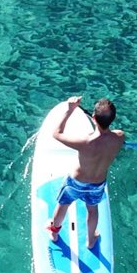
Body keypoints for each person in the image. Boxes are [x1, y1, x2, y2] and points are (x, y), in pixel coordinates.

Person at [47, 96, 124, 249]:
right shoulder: (120, 137)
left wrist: (70, 110)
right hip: (97, 184)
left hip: (76, 182)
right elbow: (109, 135)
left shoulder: (85, 142)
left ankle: (54, 233)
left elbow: (56, 133)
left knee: (63, 204)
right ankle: (90, 241)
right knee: (92, 209)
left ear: (93, 118)